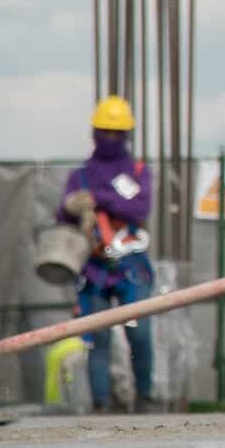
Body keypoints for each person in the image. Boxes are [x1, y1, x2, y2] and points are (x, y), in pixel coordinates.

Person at [59, 95, 155, 413]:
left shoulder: (137, 171)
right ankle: (100, 404)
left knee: (139, 333)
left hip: (130, 265)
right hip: (94, 269)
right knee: (97, 340)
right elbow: (62, 220)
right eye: (105, 131)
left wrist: (101, 198)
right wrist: (70, 207)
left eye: (117, 132)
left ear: (127, 134)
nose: (110, 138)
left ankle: (144, 398)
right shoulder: (81, 176)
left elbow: (139, 206)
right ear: (95, 132)